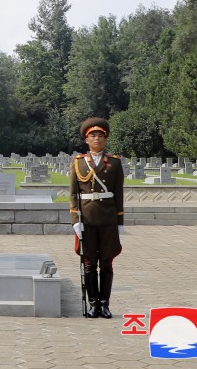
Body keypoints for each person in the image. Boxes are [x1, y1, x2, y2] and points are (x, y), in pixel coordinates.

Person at [69, 117, 124, 319]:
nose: (97, 139)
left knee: (107, 262)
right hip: (87, 220)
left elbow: (119, 193)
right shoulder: (78, 163)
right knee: (89, 263)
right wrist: (76, 220)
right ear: (86, 139)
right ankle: (93, 304)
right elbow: (73, 193)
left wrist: (120, 222)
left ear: (105, 139)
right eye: (93, 135)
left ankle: (105, 304)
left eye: (101, 135)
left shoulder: (115, 163)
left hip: (108, 219)